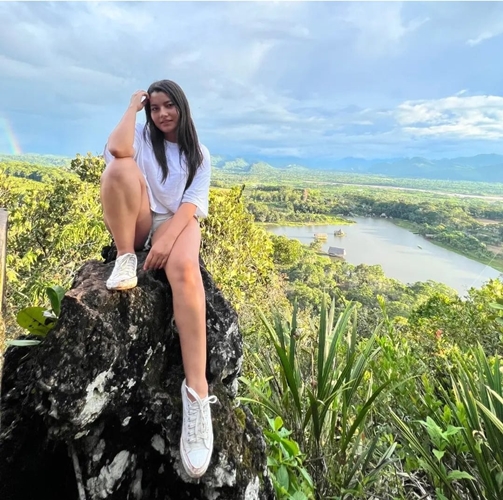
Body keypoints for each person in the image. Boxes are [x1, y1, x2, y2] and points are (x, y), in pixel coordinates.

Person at [100, 80, 217, 479]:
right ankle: (125, 258)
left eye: (170, 106)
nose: (163, 114)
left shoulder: (198, 154)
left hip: (177, 223)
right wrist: (132, 106)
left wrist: (165, 242)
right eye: (155, 108)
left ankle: (197, 394)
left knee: (185, 271)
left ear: (182, 107)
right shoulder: (139, 136)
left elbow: (190, 207)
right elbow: (117, 151)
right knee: (119, 167)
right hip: (139, 220)